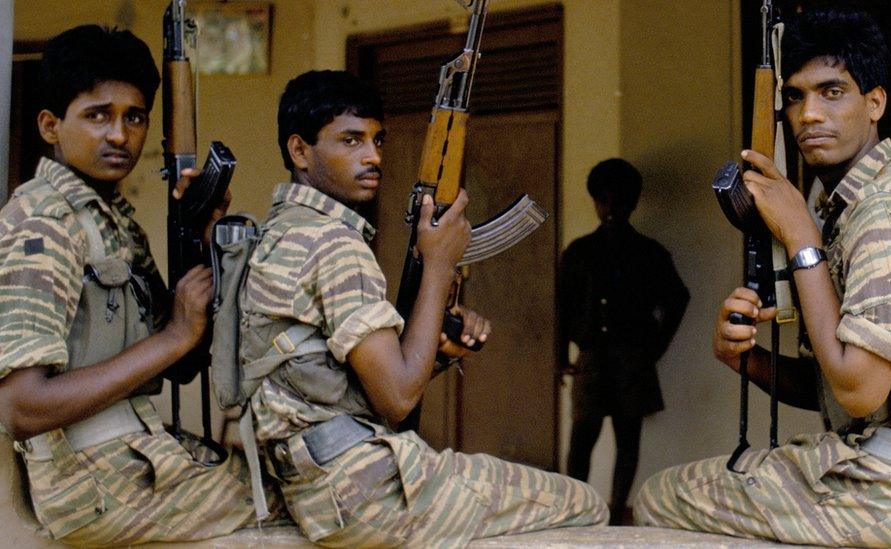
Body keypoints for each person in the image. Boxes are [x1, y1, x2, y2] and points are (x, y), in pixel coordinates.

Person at [635, 10, 891, 547]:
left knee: (659, 495)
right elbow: (845, 391)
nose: (810, 114)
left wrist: (801, 239)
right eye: (794, 97)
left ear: (875, 103)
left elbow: (860, 390)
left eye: (833, 91)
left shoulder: (887, 214)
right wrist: (745, 359)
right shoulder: (854, 209)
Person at [239, 69, 608, 547]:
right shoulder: (334, 245)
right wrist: (438, 264)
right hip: (364, 493)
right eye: (350, 141)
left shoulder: (279, 232)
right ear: (299, 150)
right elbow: (395, 399)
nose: (372, 156)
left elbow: (337, 382)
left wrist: (439, 352)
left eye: (377, 139)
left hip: (316, 484)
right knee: (583, 504)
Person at [0, 25, 288, 545]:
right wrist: (172, 337)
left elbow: (180, 360)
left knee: (291, 481)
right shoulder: (43, 225)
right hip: (92, 482)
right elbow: (21, 408)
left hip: (131, 457)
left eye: (134, 117)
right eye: (97, 115)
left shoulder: (110, 221)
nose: (119, 135)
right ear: (49, 126)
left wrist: (200, 237)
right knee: (303, 501)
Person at [558, 158, 688, 525]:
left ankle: (616, 512)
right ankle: (573, 509)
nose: (611, 208)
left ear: (632, 203)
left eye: (620, 201)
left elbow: (678, 298)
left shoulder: (649, 253)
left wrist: (656, 347)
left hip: (633, 360)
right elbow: (562, 306)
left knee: (627, 439)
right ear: (596, 202)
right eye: (605, 200)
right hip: (592, 358)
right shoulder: (578, 252)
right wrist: (559, 356)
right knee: (582, 438)